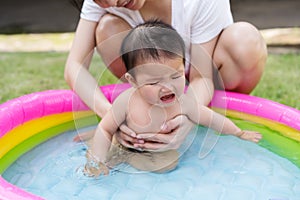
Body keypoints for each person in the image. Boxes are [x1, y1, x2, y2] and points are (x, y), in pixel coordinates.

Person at [65, 0, 267, 151]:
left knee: (244, 39)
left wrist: (186, 115)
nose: (112, 2)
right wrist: (113, 117)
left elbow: (201, 78)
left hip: (210, 74)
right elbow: (74, 66)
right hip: (153, 89)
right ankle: (148, 110)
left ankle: (218, 108)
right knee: (107, 27)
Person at [83, 20, 262, 177]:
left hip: (155, 153)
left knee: (169, 162)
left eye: (175, 76)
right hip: (124, 141)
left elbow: (212, 119)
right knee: (100, 144)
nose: (167, 87)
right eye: (154, 82)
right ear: (134, 81)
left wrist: (238, 132)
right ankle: (113, 154)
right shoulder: (126, 102)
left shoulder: (183, 103)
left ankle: (131, 158)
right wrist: (96, 161)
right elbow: (105, 128)